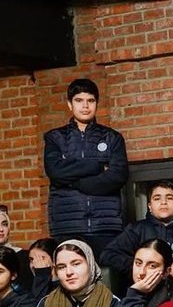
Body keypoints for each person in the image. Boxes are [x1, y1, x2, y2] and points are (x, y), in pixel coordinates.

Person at [43, 77, 129, 254]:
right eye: (79, 100)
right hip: (67, 225)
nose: (85, 106)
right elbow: (55, 171)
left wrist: (73, 182)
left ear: (96, 104)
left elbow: (118, 175)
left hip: (105, 225)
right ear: (70, 104)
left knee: (107, 271)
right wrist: (98, 167)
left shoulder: (112, 138)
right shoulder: (55, 137)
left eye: (90, 100)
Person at [101, 180, 173, 307]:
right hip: (148, 290)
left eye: (169, 198)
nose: (163, 202)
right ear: (150, 206)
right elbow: (108, 255)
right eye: (157, 198)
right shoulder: (137, 229)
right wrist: (143, 268)